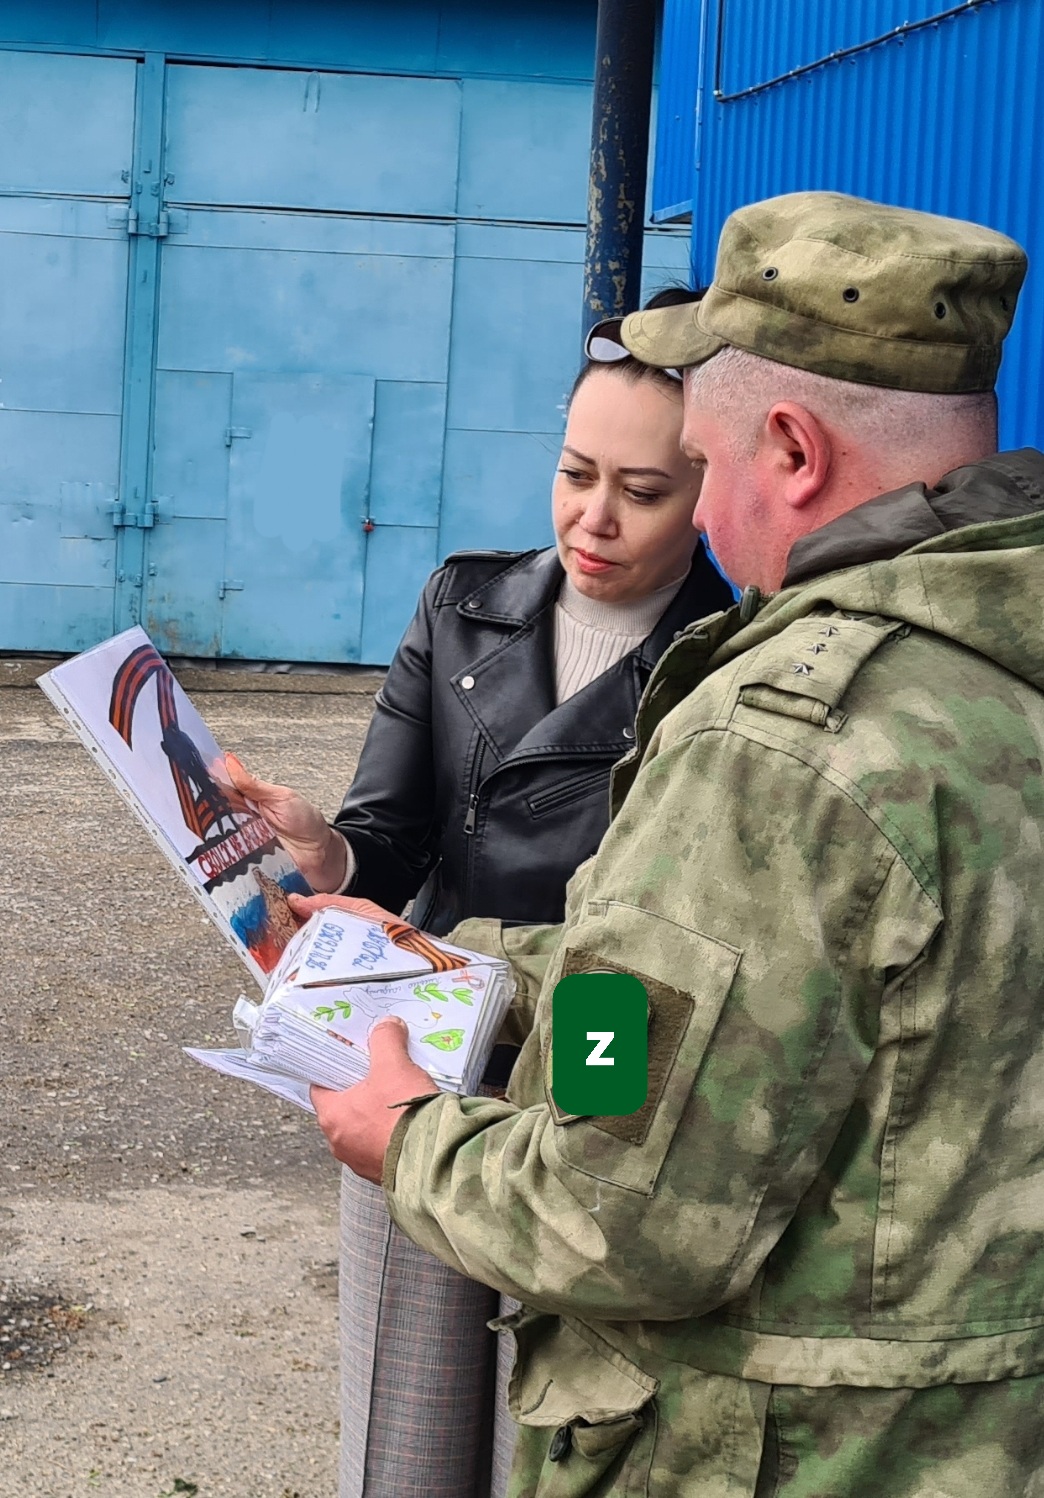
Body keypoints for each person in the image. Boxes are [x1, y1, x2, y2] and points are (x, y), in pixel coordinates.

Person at [300, 190, 1044, 1497]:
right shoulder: (1001, 650)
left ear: (794, 450)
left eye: (693, 465)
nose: (680, 519)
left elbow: (621, 1208)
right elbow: (795, 1008)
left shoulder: (784, 739)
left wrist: (410, 1134)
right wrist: (480, 970)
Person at [229, 291, 734, 1498]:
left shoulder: (738, 653)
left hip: (610, 1059)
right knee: (405, 1414)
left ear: (714, 488)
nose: (592, 518)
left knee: (574, 1403)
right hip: (430, 1052)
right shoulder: (464, 604)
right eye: (574, 472)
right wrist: (328, 859)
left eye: (644, 490)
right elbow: (389, 837)